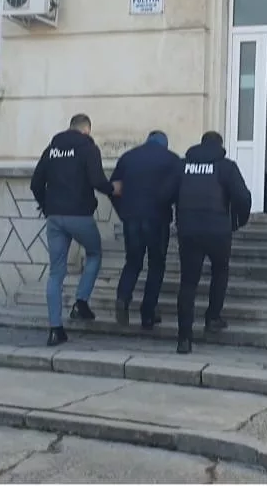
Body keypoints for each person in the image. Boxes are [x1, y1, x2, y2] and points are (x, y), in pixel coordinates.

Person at [30, 113, 121, 347]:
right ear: (86, 130)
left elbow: (35, 183)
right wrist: (113, 189)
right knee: (94, 253)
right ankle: (81, 302)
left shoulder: (52, 148)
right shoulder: (88, 148)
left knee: (56, 273)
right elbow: (97, 180)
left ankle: (55, 329)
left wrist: (46, 205)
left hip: (54, 218)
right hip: (79, 215)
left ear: (70, 127)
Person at [163, 130, 252, 354]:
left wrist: (174, 217)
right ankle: (212, 318)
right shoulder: (226, 167)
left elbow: (165, 194)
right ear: (220, 146)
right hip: (218, 231)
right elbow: (243, 197)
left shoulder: (182, 166)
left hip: (188, 231)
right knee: (220, 271)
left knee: (188, 283)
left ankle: (184, 339)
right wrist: (238, 221)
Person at [109, 130, 181, 329]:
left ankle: (123, 297)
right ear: (164, 144)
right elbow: (178, 191)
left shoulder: (128, 157)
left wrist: (122, 211)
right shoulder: (172, 160)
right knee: (156, 265)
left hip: (131, 218)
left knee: (133, 262)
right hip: (158, 219)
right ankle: (148, 313)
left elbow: (113, 188)